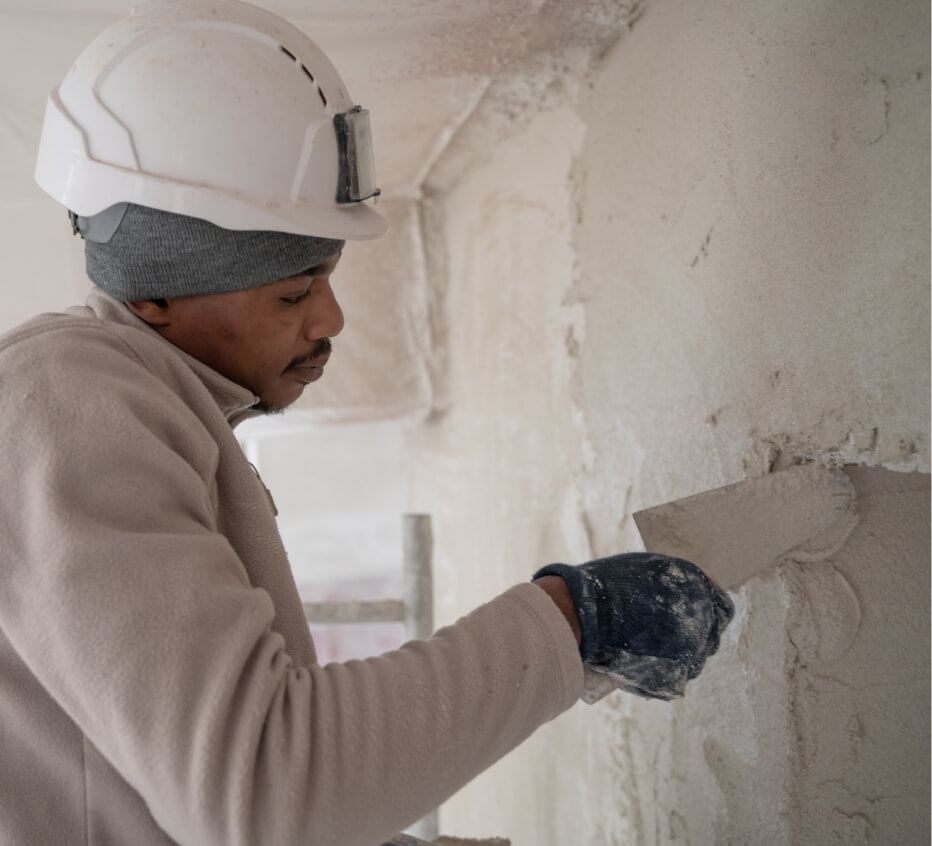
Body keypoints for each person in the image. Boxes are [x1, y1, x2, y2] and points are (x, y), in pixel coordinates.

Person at [0, 2, 734, 845]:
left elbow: (158, 792)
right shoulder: (63, 398)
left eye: (326, 278)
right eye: (292, 292)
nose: (331, 319)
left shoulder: (131, 408)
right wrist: (573, 621)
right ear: (156, 294)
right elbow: (269, 794)